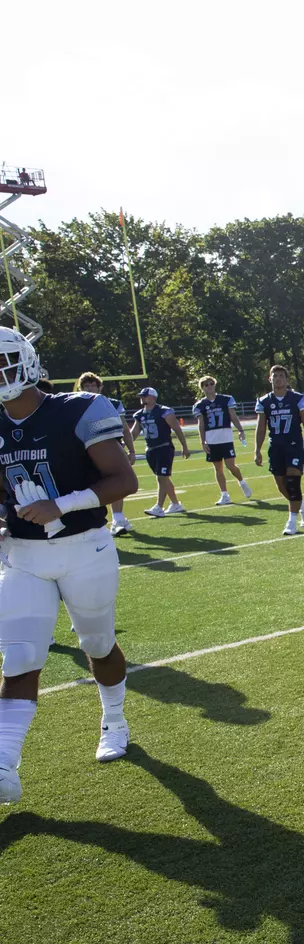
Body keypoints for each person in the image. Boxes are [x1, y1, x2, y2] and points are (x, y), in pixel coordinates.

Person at [0, 329, 141, 805]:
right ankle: (4, 764)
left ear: (25, 361)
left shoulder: (79, 409)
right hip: (23, 555)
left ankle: (115, 720)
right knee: (20, 657)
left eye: (2, 362)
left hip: (84, 548)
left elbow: (123, 479)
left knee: (97, 644)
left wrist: (60, 505)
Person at [253, 365, 304, 536]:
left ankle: (291, 521)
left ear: (287, 379)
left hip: (293, 445)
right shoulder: (264, 401)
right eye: (275, 376)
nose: (278, 379)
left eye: (281, 375)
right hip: (275, 446)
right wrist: (257, 450)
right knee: (282, 486)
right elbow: (261, 428)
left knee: (293, 482)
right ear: (270, 379)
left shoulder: (298, 398)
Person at [75, 374, 134, 536]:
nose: (90, 388)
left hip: (111, 448)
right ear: (81, 388)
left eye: (92, 385)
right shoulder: (74, 405)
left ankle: (118, 519)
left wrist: (131, 450)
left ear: (99, 387)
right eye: (86, 386)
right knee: (90, 485)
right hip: (85, 450)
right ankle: (94, 521)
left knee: (117, 481)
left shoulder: (112, 403)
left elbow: (124, 428)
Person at [130, 387, 191, 517]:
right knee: (164, 478)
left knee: (161, 477)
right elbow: (134, 433)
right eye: (141, 396)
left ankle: (159, 507)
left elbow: (177, 429)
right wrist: (125, 445)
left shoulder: (164, 412)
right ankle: (176, 504)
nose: (142, 398)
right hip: (150, 449)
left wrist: (184, 446)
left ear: (153, 397)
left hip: (164, 447)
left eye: (144, 396)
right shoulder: (139, 415)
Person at [191, 377, 250, 505]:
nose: (209, 386)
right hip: (211, 439)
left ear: (215, 385)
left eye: (211, 383)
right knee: (218, 469)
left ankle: (242, 482)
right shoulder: (200, 405)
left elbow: (233, 416)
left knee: (230, 466)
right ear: (202, 388)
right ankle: (224, 494)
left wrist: (240, 430)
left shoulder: (226, 399)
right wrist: (203, 441)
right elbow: (201, 424)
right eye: (206, 385)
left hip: (226, 437)